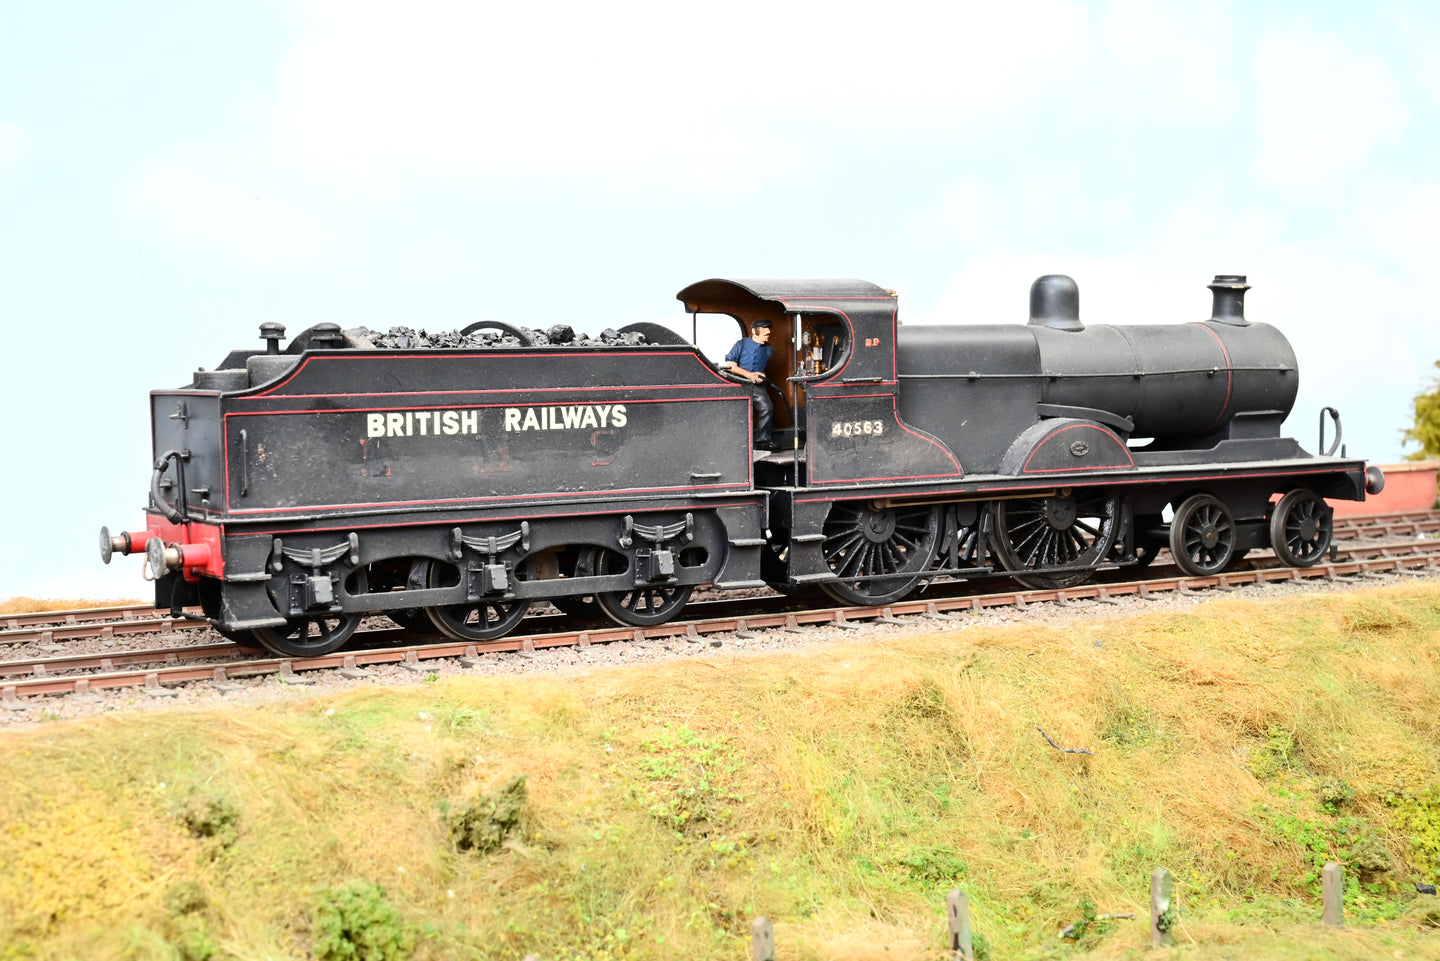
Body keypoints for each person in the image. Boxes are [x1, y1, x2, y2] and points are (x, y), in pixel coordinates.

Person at [720, 320, 776, 449]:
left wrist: (761, 375)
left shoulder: (768, 350)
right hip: (738, 383)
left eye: (769, 330)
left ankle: (763, 441)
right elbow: (731, 366)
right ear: (754, 331)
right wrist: (749, 375)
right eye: (764, 330)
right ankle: (735, 442)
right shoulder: (741, 344)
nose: (768, 333)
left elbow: (761, 369)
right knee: (737, 411)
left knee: (767, 408)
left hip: (756, 385)